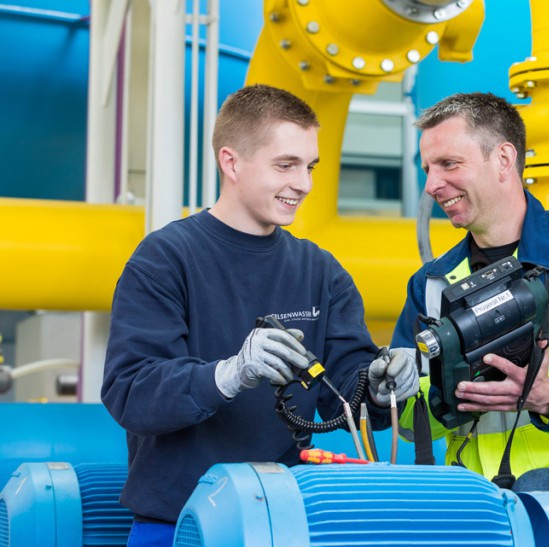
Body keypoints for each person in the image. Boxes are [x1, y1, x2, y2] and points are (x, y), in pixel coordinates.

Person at [101, 84, 419, 546]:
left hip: (282, 522)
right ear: (231, 162)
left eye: (309, 167)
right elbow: (129, 392)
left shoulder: (321, 271)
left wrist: (379, 382)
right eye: (285, 165)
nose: (305, 184)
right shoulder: (166, 259)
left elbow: (341, 395)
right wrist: (227, 375)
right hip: (176, 525)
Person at [385, 92, 549, 491]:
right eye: (427, 169)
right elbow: (408, 424)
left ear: (504, 160)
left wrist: (546, 396)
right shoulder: (430, 284)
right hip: (484, 503)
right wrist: (393, 389)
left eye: (448, 165)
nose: (433, 186)